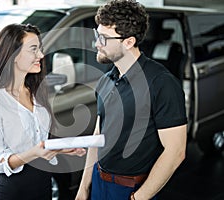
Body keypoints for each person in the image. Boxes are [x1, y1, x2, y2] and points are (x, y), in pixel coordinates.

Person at [76, 1, 187, 200]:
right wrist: (84, 188)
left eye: (104, 38)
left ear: (128, 42)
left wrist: (138, 198)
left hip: (132, 189)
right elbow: (98, 135)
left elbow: (175, 152)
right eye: (97, 35)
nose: (97, 44)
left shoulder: (161, 83)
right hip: (99, 183)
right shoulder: (106, 80)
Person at [0, 23, 85, 200]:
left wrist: (60, 149)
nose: (41, 55)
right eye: (33, 49)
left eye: (40, 49)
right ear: (13, 55)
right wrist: (34, 153)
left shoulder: (35, 92)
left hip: (43, 185)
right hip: (15, 191)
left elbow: (38, 143)